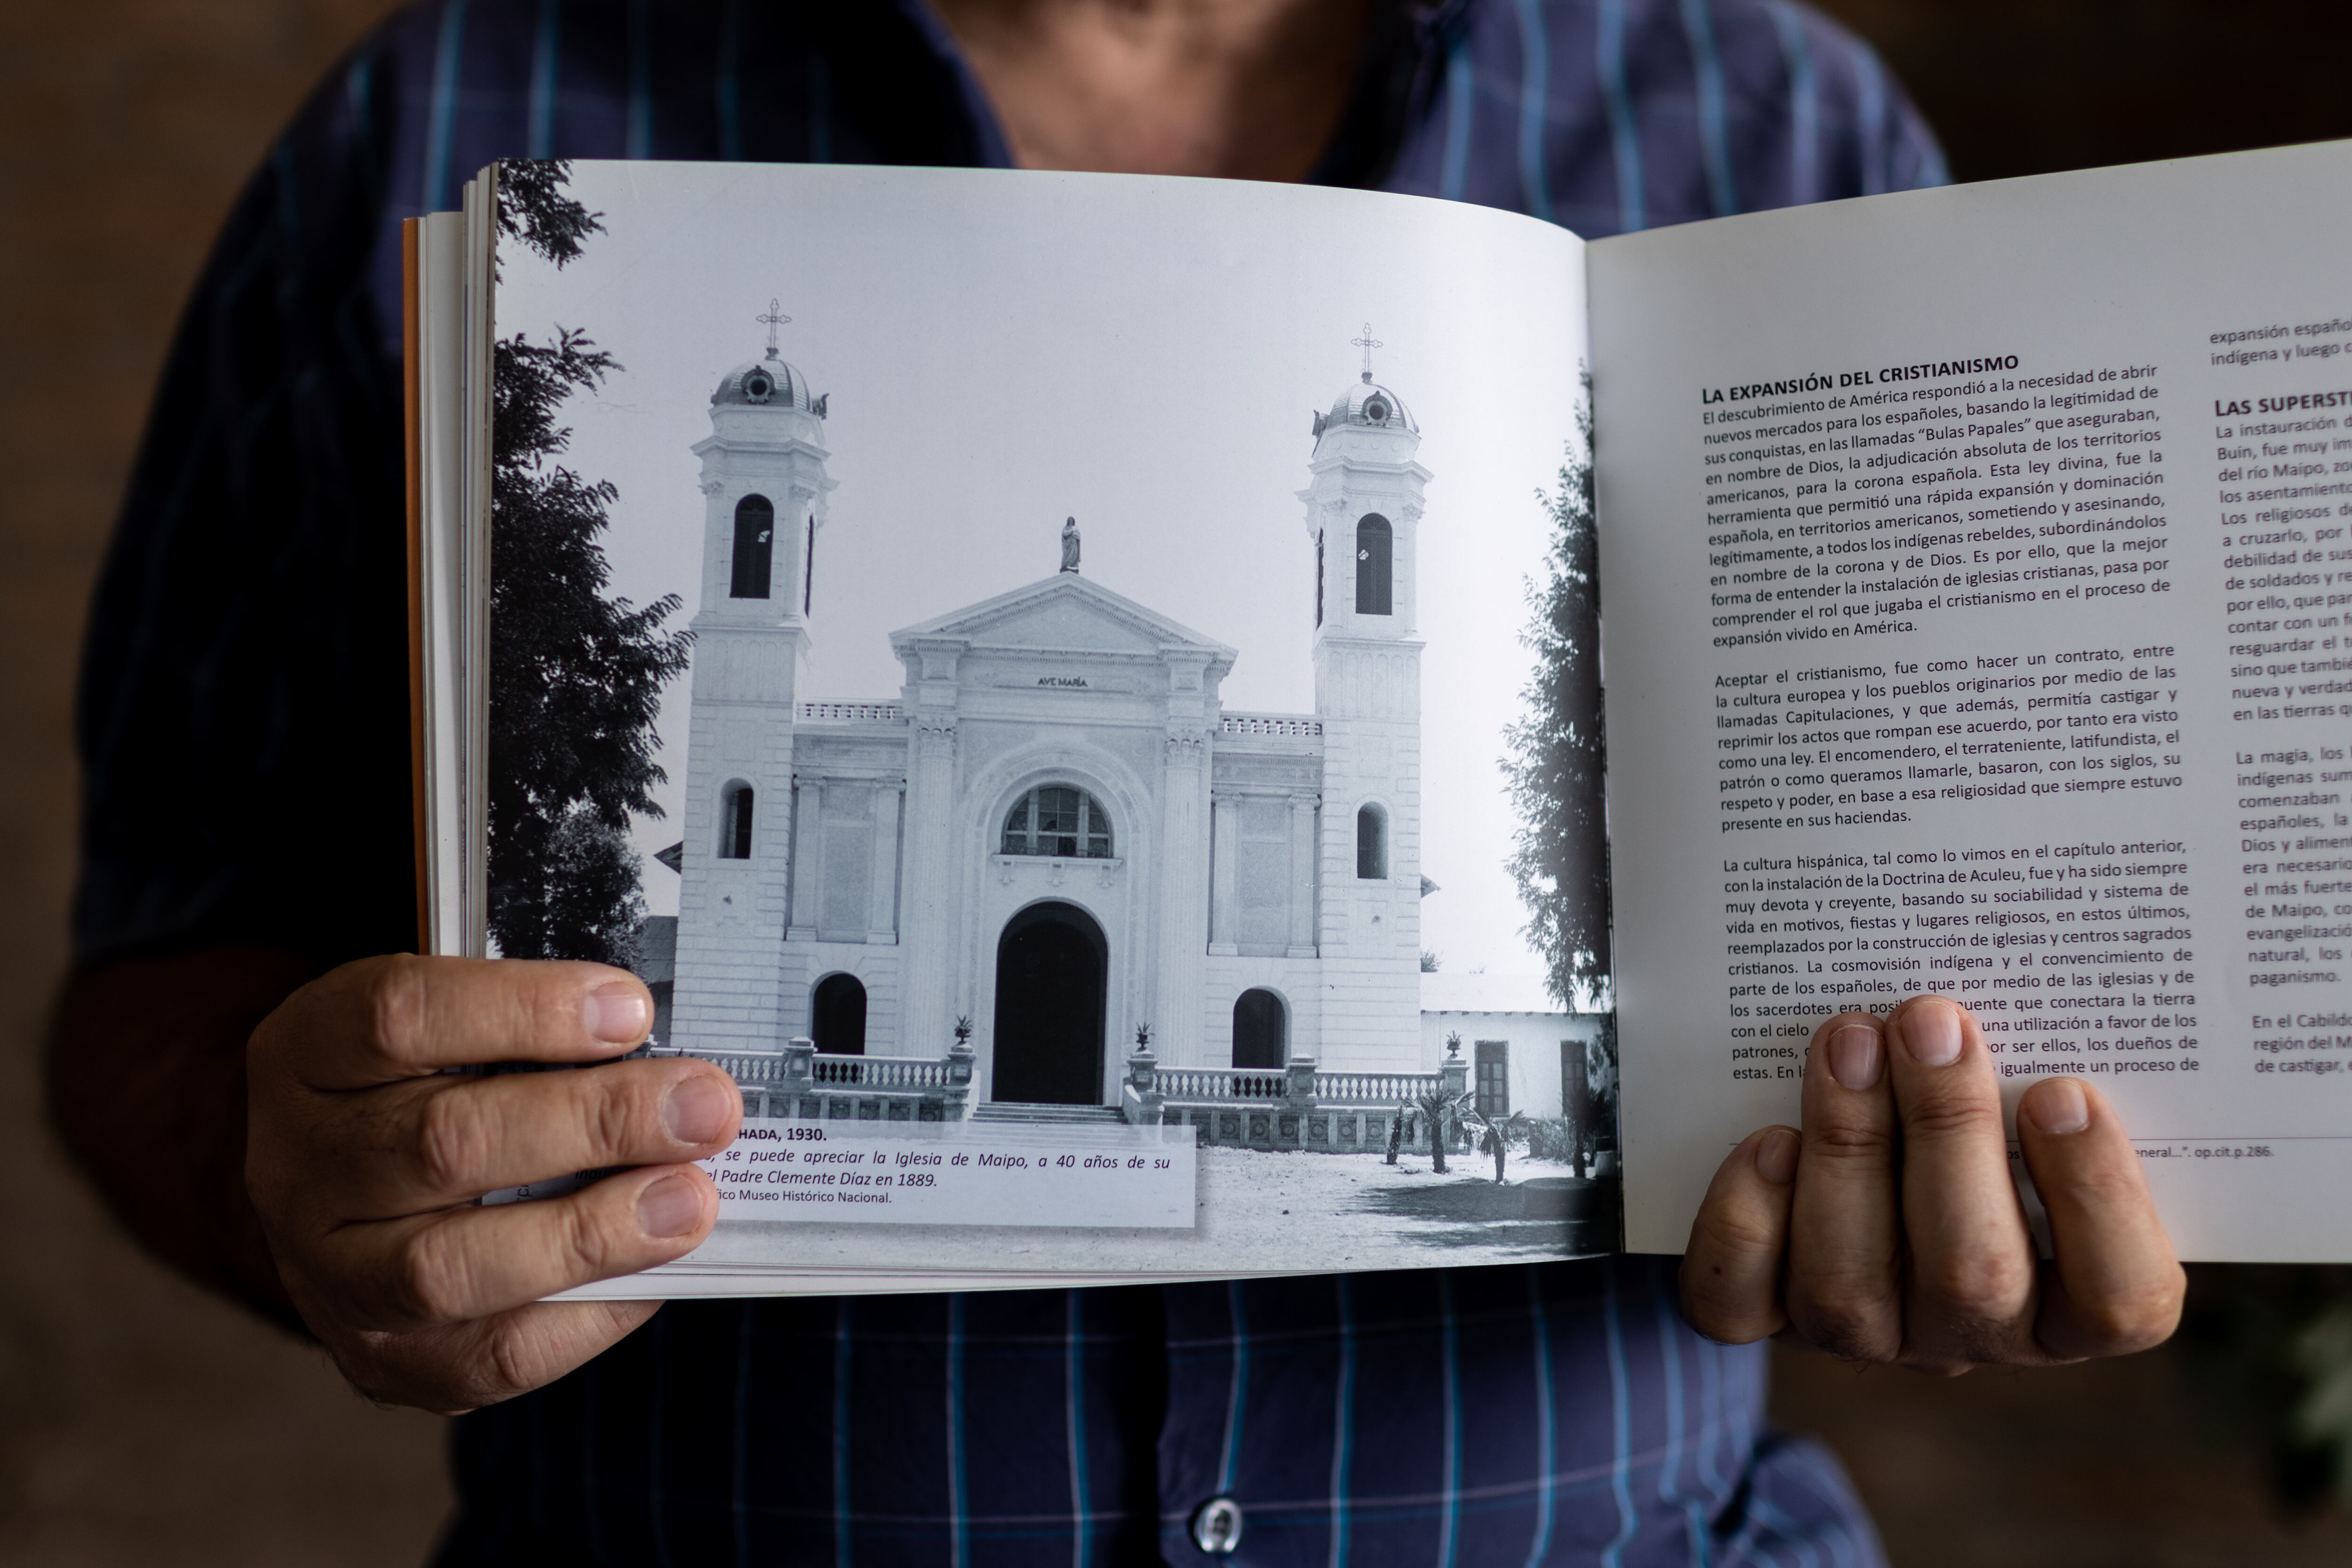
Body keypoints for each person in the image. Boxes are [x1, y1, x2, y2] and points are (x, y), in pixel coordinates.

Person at [51, 2, 2182, 1562]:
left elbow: (1966, 956)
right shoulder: (453, 120)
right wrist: (291, 1178)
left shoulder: (1777, 128)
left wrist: (1983, 1162)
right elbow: (155, 976)